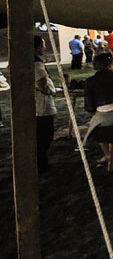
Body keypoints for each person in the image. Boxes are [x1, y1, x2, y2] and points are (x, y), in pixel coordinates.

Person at [34, 35, 57, 173]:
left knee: (41, 135)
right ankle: (41, 164)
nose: (44, 47)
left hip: (37, 105)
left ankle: (40, 162)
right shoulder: (36, 64)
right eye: (42, 45)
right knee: (44, 135)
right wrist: (51, 91)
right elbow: (41, 83)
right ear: (36, 48)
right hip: (42, 105)